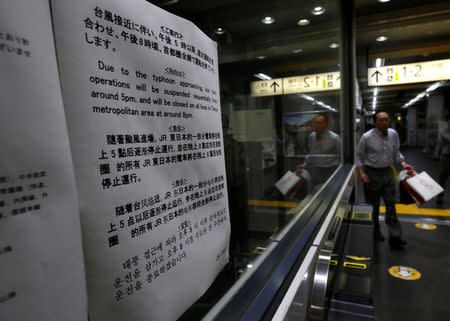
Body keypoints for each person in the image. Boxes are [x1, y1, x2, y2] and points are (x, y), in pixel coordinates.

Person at [356, 111, 414, 248]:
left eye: (386, 120)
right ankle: (375, 232)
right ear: (375, 122)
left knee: (391, 205)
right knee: (373, 207)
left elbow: (396, 152)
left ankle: (395, 236)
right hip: (371, 174)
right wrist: (360, 172)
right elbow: (358, 157)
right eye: (381, 120)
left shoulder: (393, 134)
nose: (384, 123)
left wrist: (404, 164)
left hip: (388, 173)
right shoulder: (366, 137)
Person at [296, 113, 341, 187]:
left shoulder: (335, 138)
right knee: (316, 190)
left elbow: (341, 155)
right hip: (315, 169)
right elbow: (311, 153)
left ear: (327, 124)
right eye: (315, 123)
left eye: (320, 123)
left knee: (330, 191)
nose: (317, 125)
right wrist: (304, 164)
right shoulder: (312, 136)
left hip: (330, 169)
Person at [437, 114, 450, 204]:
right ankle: (440, 197)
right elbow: (447, 139)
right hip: (446, 157)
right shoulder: (444, 131)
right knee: (442, 178)